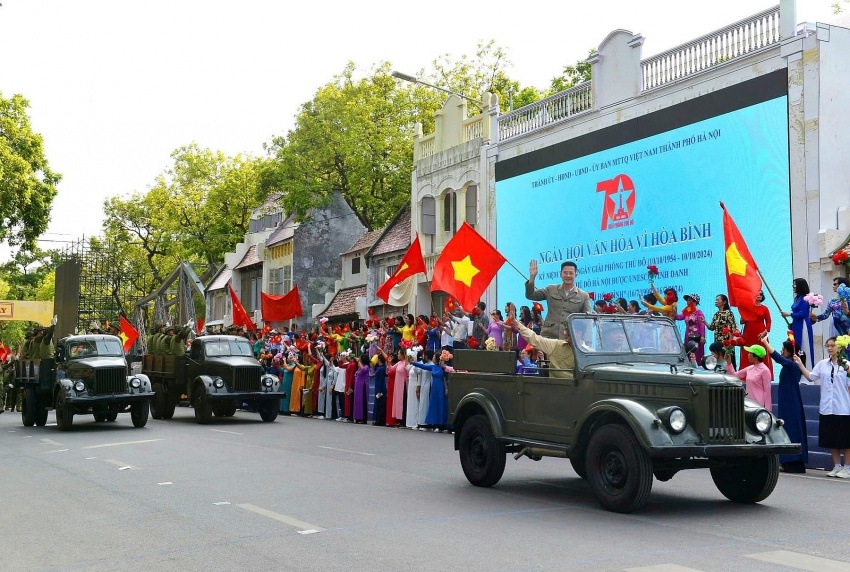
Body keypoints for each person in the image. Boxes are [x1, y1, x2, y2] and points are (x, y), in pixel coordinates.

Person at [794, 337, 850, 478]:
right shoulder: (822, 364)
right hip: (827, 407)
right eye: (827, 346)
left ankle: (847, 468)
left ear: (840, 348)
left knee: (846, 440)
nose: (830, 348)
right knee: (831, 438)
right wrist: (800, 364)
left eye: (832, 346)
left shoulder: (847, 365)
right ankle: (837, 466)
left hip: (843, 408)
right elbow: (811, 377)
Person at [761, 334, 808, 473]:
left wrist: (765, 343)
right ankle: (788, 461)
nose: (782, 351)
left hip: (790, 401)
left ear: (789, 351)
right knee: (788, 428)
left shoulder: (792, 364)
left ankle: (792, 461)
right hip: (786, 399)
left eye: (784, 349)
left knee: (791, 429)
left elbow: (777, 358)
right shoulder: (791, 365)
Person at [525, 260, 591, 338]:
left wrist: (588, 342)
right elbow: (531, 295)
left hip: (569, 338)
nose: (568, 275)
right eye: (565, 273)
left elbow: (588, 320)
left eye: (571, 273)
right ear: (560, 274)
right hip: (549, 337)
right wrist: (532, 277)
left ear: (576, 275)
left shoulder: (583, 296)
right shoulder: (551, 289)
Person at [511, 312, 575, 379]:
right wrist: (516, 323)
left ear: (578, 332)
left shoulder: (585, 351)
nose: (564, 333)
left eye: (568, 330)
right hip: (557, 386)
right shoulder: (556, 345)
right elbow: (534, 339)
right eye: (565, 329)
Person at [412, 349, 450, 432]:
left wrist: (446, 388)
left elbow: (445, 378)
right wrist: (413, 362)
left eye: (433, 357)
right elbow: (423, 366)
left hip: (441, 388)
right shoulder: (432, 367)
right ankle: (435, 424)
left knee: (441, 405)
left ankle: (442, 425)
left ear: (437, 358)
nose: (432, 358)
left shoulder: (442, 368)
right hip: (434, 388)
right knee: (434, 405)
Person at [782, 278, 815, 366]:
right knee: (795, 345)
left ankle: (807, 368)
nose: (793, 287)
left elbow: (803, 314)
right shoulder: (797, 298)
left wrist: (789, 314)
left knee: (803, 345)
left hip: (803, 325)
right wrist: (792, 324)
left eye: (795, 285)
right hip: (796, 325)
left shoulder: (805, 298)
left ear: (800, 286)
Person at [701, 294, 739, 368]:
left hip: (726, 342)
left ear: (724, 302)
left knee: (729, 362)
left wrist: (730, 343)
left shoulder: (729, 313)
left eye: (718, 300)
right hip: (717, 343)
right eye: (716, 300)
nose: (716, 301)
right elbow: (711, 328)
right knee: (717, 362)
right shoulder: (716, 314)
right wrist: (704, 321)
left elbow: (733, 328)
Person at [740, 290, 772, 377]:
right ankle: (745, 375)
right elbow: (742, 321)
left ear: (762, 297)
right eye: (757, 293)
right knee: (748, 352)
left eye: (761, 294)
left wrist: (765, 332)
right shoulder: (748, 307)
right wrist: (742, 319)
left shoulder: (765, 308)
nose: (759, 295)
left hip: (760, 334)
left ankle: (763, 375)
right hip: (748, 333)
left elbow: (768, 322)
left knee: (761, 353)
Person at [732, 344, 772, 410]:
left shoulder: (765, 370)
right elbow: (734, 376)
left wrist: (767, 409)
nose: (748, 354)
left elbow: (767, 390)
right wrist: (729, 364)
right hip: (748, 403)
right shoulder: (749, 368)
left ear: (755, 356)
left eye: (750, 353)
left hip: (759, 404)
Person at [676, 293, 705, 364]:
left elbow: (702, 325)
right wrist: (672, 311)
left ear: (695, 302)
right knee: (688, 354)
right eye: (687, 300)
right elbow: (678, 317)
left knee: (696, 355)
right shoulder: (687, 311)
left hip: (696, 338)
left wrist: (702, 336)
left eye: (689, 300)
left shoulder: (699, 313)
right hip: (688, 337)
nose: (687, 302)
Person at [353, 354, 370, 424]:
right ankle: (358, 417)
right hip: (358, 387)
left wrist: (358, 362)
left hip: (363, 386)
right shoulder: (359, 367)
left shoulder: (366, 366)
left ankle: (363, 418)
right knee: (357, 402)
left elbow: (363, 370)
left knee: (363, 402)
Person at [372, 354, 387, 426]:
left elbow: (381, 380)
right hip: (377, 386)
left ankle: (380, 420)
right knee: (378, 404)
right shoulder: (379, 367)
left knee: (380, 404)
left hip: (380, 387)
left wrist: (380, 391)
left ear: (380, 360)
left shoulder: (382, 368)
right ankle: (377, 419)